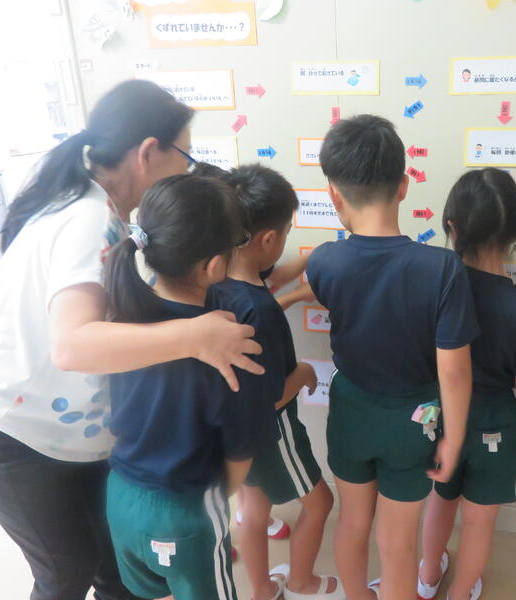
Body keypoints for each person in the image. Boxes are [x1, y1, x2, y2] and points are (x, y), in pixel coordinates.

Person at [0, 80, 263, 600]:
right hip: (5, 426)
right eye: (185, 156)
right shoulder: (88, 217)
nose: (187, 170)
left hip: (57, 430)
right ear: (149, 152)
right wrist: (195, 334)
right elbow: (72, 345)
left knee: (113, 569)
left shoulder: (95, 209)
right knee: (65, 572)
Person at [307, 114, 478, 600]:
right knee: (398, 541)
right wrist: (454, 439)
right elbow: (454, 370)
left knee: (352, 522)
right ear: (404, 186)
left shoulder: (324, 260)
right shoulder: (442, 267)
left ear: (333, 195)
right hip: (414, 418)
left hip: (350, 411)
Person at [104, 173, 275, 600]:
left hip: (119, 497)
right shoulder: (234, 344)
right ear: (214, 266)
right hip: (183, 513)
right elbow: (240, 453)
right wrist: (215, 504)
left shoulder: (121, 322)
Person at [203, 162, 342, 600]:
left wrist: (311, 266)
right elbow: (268, 398)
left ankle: (262, 589)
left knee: (253, 507)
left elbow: (269, 282)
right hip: (272, 429)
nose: (285, 245)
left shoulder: (216, 282)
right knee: (320, 503)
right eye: (285, 235)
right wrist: (303, 375)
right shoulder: (259, 308)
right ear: (267, 239)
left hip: (234, 431)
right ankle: (301, 582)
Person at [419, 168, 516, 600]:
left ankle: (427, 577)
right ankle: (460, 592)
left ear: (452, 227)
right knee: (479, 520)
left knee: (440, 498)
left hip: (441, 416)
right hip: (497, 424)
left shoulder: (434, 290)